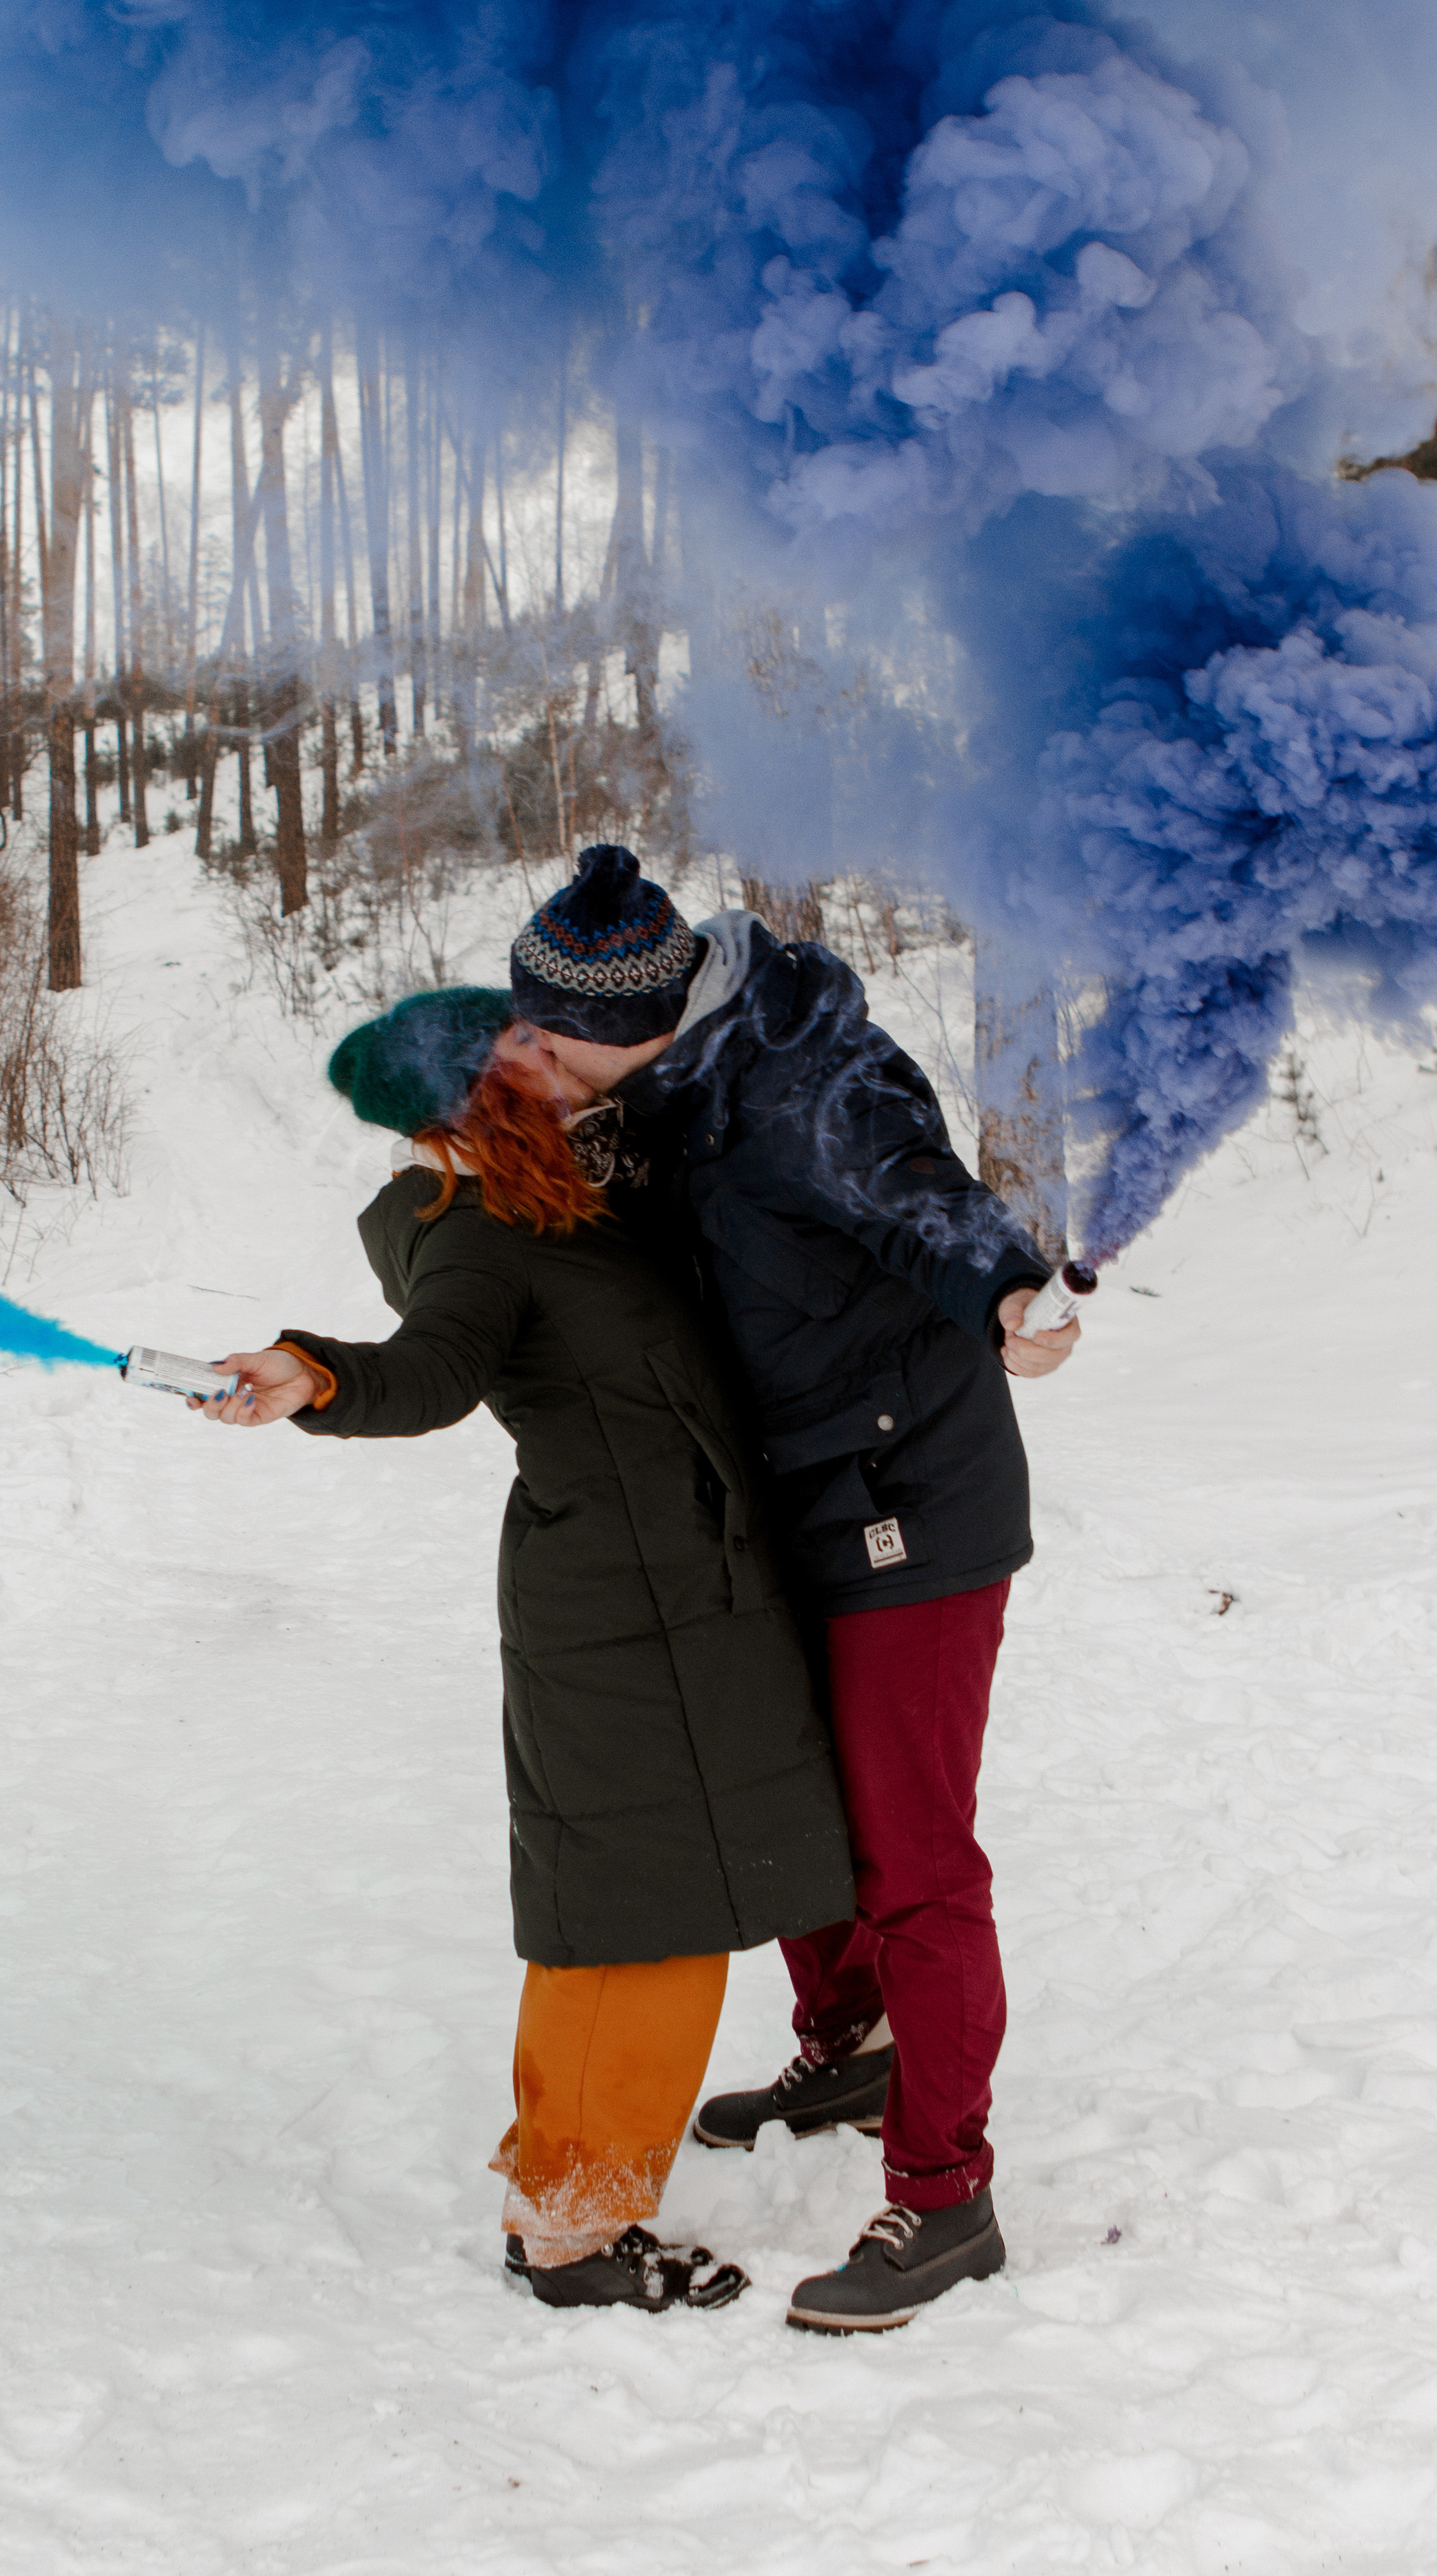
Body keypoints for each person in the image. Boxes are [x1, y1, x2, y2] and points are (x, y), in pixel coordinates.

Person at [194, 985, 858, 2313]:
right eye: (507, 1044)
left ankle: (570, 2176)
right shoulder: (472, 1227)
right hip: (617, 1608)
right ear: (462, 1094)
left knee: (670, 1911)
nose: (538, 1049)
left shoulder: (552, 1187)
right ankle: (569, 2228)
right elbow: (430, 1371)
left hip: (682, 1584)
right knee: (636, 1926)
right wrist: (314, 1371)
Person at [505, 846, 1080, 2334]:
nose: (529, 1052)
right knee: (779, 1794)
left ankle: (946, 2193)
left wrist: (1007, 1291)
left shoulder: (800, 1075)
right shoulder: (655, 1094)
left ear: (631, 1018)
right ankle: (849, 2035)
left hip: (906, 1500)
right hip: (786, 1495)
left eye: (546, 1031)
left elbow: (914, 1195)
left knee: (911, 1857)